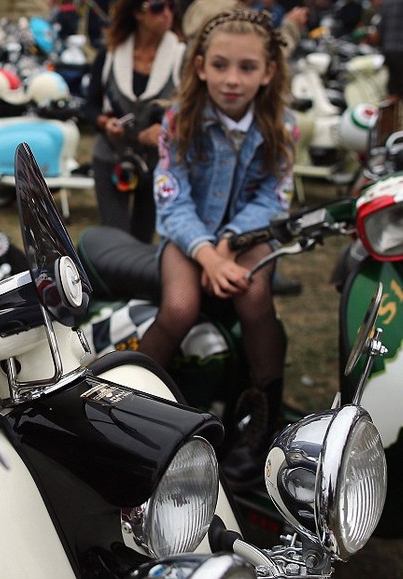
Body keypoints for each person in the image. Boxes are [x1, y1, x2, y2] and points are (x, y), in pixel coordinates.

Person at [137, 8, 295, 488]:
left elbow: (273, 198)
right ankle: (132, 396)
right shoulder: (179, 119)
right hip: (188, 237)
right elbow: (171, 196)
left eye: (247, 68)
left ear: (268, 73)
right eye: (220, 65)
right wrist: (207, 252)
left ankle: (261, 421)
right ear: (201, 65)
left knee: (254, 298)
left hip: (245, 237)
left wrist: (229, 243)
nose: (232, 79)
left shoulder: (281, 126)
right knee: (180, 307)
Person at [84, 0, 186, 244]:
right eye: (158, 7)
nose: (167, 14)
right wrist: (104, 123)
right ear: (138, 13)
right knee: (113, 238)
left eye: (172, 7)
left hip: (157, 163)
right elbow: (89, 106)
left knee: (142, 242)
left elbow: (192, 110)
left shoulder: (182, 56)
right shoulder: (110, 52)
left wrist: (166, 128)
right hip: (111, 156)